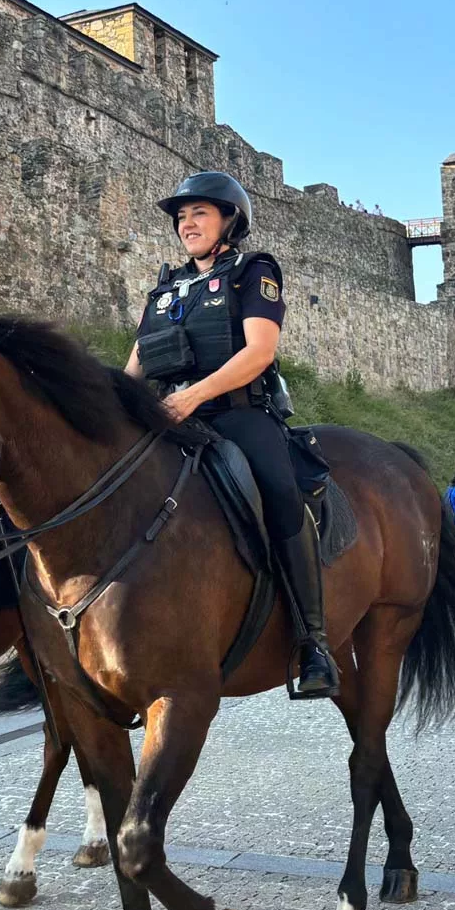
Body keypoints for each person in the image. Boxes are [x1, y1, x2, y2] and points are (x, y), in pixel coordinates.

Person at [122, 171, 337, 699]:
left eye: (199, 213)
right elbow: (134, 368)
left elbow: (259, 353)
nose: (187, 224)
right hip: (169, 419)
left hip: (237, 414)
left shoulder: (252, 272)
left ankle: (313, 642)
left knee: (281, 495)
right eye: (181, 217)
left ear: (229, 220)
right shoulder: (166, 289)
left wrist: (193, 396)